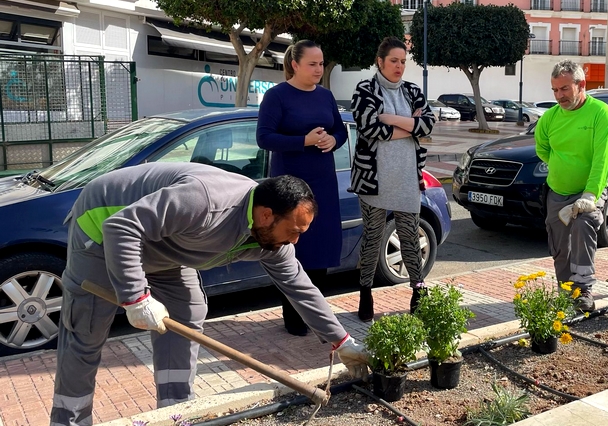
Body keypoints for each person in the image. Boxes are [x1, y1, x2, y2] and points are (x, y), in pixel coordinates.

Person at [49, 163, 369, 426]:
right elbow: (122, 227)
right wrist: (136, 297)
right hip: (102, 229)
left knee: (186, 313)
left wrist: (342, 342)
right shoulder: (205, 201)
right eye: (294, 231)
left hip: (165, 244)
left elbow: (300, 287)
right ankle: (69, 420)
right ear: (266, 215)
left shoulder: (273, 240)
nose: (296, 241)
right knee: (86, 330)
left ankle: (175, 412)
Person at [256, 40, 348, 336]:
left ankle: (315, 315)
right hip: (289, 186)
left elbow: (340, 130)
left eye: (321, 63)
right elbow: (264, 138)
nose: (319, 69)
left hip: (323, 182)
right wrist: (303, 141)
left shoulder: (326, 95)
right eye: (312, 64)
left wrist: (334, 140)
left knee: (320, 248)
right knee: (293, 250)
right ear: (295, 65)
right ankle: (293, 318)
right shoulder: (276, 96)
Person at [350, 36, 436, 322]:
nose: (399, 66)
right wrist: (411, 125)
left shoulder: (412, 91)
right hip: (373, 178)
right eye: (393, 61)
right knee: (373, 238)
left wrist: (390, 118)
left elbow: (428, 125)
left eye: (403, 61)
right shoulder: (365, 89)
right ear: (380, 61)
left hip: (408, 177)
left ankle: (418, 291)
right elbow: (368, 127)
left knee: (410, 236)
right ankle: (365, 292)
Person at [534, 60, 608, 312]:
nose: (559, 96)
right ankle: (565, 291)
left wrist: (589, 194)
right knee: (560, 248)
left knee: (584, 223)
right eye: (555, 90)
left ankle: (583, 290)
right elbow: (542, 149)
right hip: (557, 191)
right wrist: (562, 165)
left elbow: (603, 158)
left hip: (588, 190)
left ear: (581, 85)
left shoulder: (600, 113)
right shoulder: (549, 118)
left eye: (565, 89)